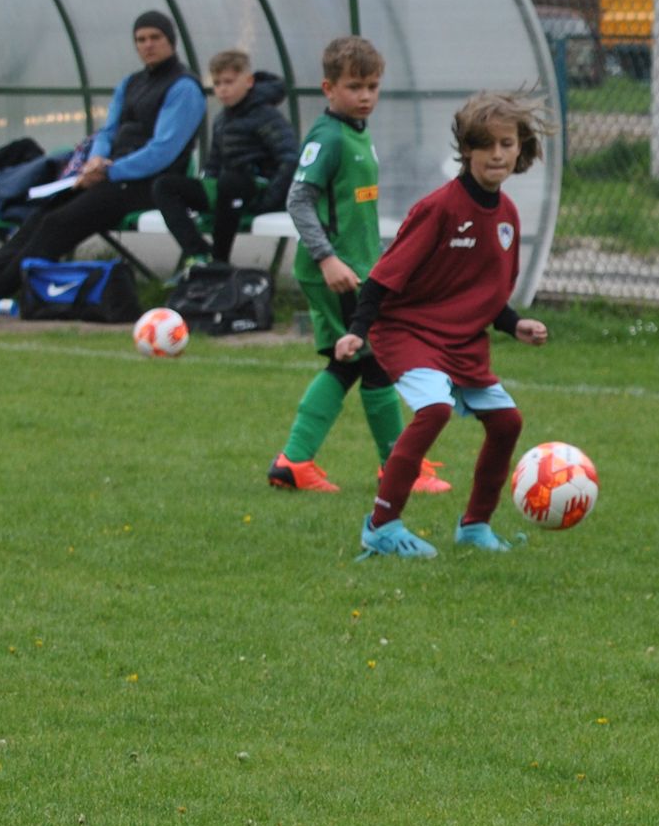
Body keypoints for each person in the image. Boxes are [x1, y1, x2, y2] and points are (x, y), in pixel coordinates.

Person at [337, 91, 557, 559]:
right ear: (467, 150)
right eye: (485, 145)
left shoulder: (508, 218)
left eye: (506, 143)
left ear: (521, 149)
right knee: (434, 410)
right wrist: (358, 329)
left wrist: (514, 324)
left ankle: (474, 526)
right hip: (408, 332)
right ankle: (381, 525)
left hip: (461, 342)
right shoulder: (439, 208)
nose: (496, 155)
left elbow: (481, 293)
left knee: (507, 422)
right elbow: (381, 278)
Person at [0, 11, 204, 319]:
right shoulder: (131, 83)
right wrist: (95, 160)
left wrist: (108, 170)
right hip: (108, 176)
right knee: (42, 214)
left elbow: (163, 151)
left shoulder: (184, 88)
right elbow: (107, 132)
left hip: (148, 184)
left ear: (171, 42)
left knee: (59, 225)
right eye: (141, 39)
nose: (148, 45)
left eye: (155, 38)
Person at [268, 37, 448, 498]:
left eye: (372, 86)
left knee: (351, 363)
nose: (365, 95)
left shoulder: (357, 133)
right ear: (329, 88)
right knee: (371, 362)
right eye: (354, 86)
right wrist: (328, 258)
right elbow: (298, 199)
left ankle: (296, 461)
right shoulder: (327, 138)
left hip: (359, 269)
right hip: (334, 271)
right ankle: (395, 467)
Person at [152, 49, 298, 279]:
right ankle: (199, 253)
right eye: (217, 83)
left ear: (248, 81)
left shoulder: (266, 115)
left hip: (256, 188)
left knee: (231, 182)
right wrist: (203, 188)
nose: (222, 89)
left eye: (229, 82)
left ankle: (219, 261)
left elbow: (289, 159)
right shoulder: (221, 119)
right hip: (225, 188)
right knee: (164, 186)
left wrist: (270, 199)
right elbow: (213, 163)